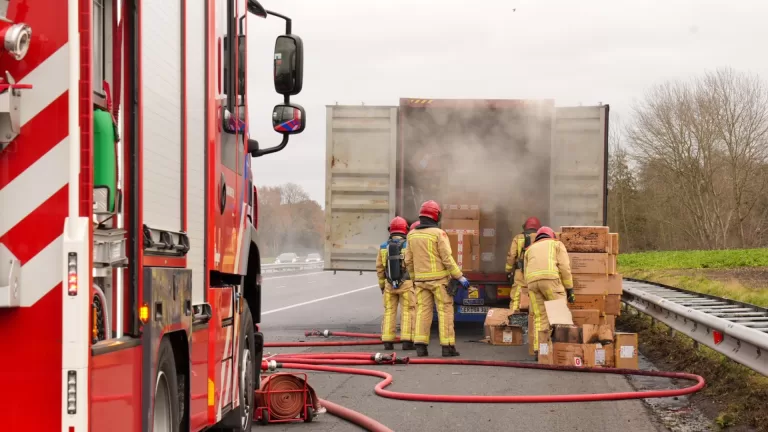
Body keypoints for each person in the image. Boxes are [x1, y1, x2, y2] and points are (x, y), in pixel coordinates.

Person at [405, 200, 470, 357]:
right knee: (445, 311)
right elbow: (447, 258)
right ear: (436, 216)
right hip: (439, 281)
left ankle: (420, 345)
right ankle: (447, 347)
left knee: (423, 312)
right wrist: (459, 276)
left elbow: (408, 260)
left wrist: (415, 278)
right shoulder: (439, 234)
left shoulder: (411, 235)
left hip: (421, 282)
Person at [524, 226, 574, 360]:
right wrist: (569, 288)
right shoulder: (556, 244)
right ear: (551, 236)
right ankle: (562, 349)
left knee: (540, 317)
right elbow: (564, 267)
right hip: (551, 280)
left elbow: (525, 270)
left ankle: (539, 350)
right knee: (559, 313)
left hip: (532, 284)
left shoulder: (529, 249)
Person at [376, 216, 416, 351]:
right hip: (407, 284)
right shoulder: (409, 245)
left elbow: (380, 268)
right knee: (408, 311)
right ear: (406, 229)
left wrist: (382, 285)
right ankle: (407, 341)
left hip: (389, 285)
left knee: (389, 312)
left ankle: (387, 340)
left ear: (390, 230)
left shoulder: (383, 247)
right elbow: (412, 264)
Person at [505, 217, 541, 312]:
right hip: (537, 272)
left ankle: (513, 318)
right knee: (536, 297)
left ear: (525, 227)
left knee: (516, 297)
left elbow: (512, 255)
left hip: (521, 273)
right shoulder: (542, 238)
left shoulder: (518, 238)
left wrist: (508, 270)